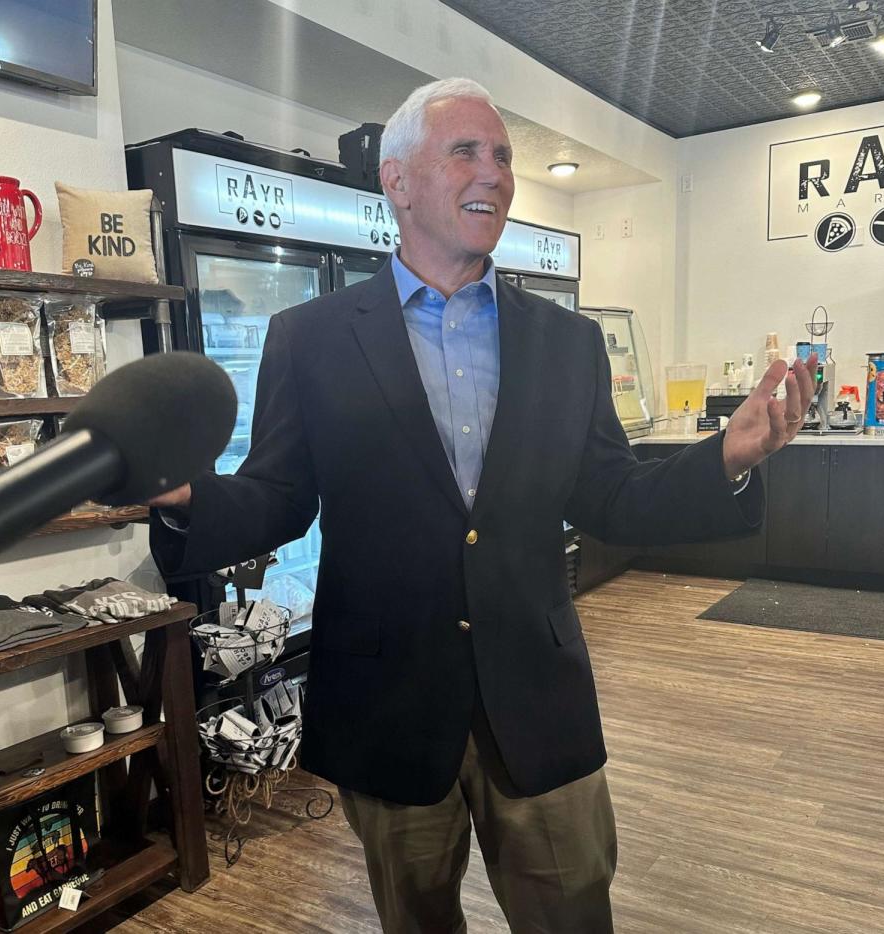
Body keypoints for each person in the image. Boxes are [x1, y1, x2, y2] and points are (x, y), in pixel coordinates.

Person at [150, 78, 817, 933]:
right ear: (397, 181)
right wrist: (183, 500)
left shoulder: (566, 342)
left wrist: (724, 456)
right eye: (465, 151)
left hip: (537, 700)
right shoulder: (309, 338)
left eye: (502, 156)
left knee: (573, 912)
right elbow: (279, 499)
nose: (494, 173)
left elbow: (611, 496)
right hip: (388, 702)